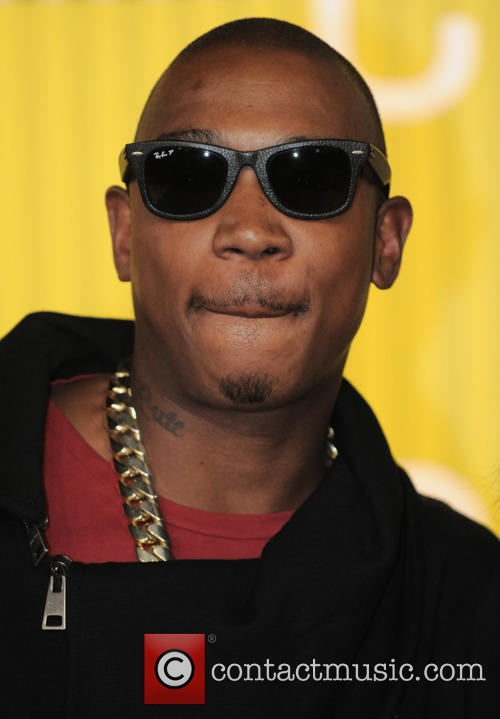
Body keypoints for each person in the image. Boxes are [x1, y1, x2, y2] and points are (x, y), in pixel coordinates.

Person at [0, 17, 498, 718]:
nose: (250, 231)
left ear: (386, 242)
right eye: (187, 177)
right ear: (124, 234)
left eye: (311, 177)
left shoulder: (464, 601)